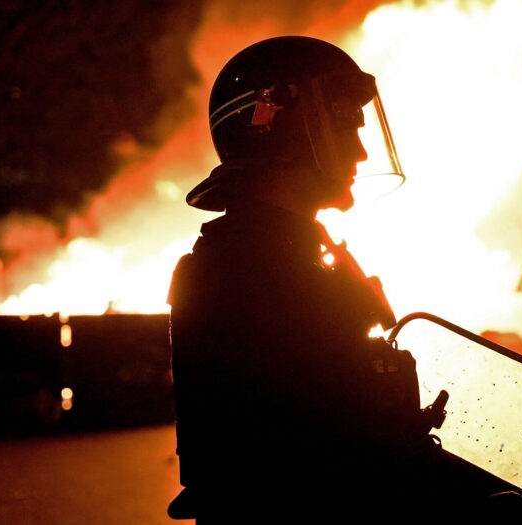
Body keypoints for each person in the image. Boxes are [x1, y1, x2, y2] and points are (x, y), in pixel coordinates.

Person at [166, 36, 493, 523]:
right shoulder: (255, 272)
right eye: (344, 127)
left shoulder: (280, 258)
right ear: (282, 129)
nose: (360, 153)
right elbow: (315, 467)